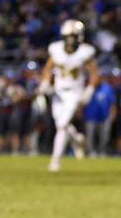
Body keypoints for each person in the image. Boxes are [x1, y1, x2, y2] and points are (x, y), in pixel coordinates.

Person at [39, 19, 99, 172]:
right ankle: (77, 138)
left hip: (74, 92)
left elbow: (94, 74)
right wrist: (45, 82)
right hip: (58, 92)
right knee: (61, 124)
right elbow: (47, 68)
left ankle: (55, 160)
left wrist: (89, 90)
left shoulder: (85, 52)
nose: (71, 40)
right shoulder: (56, 49)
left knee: (63, 125)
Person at [83, 71, 116, 157]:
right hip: (90, 115)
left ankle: (102, 151)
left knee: (105, 136)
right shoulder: (88, 87)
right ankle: (91, 152)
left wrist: (112, 113)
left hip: (104, 116)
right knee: (90, 136)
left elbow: (112, 102)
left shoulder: (107, 88)